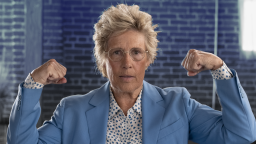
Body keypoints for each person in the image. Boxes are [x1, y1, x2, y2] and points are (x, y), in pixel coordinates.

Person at [7, 4, 256, 144]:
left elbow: (241, 134)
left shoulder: (178, 105)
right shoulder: (71, 110)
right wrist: (33, 83)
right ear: (103, 61)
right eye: (117, 53)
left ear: (147, 59)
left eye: (136, 52)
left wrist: (219, 68)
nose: (127, 63)